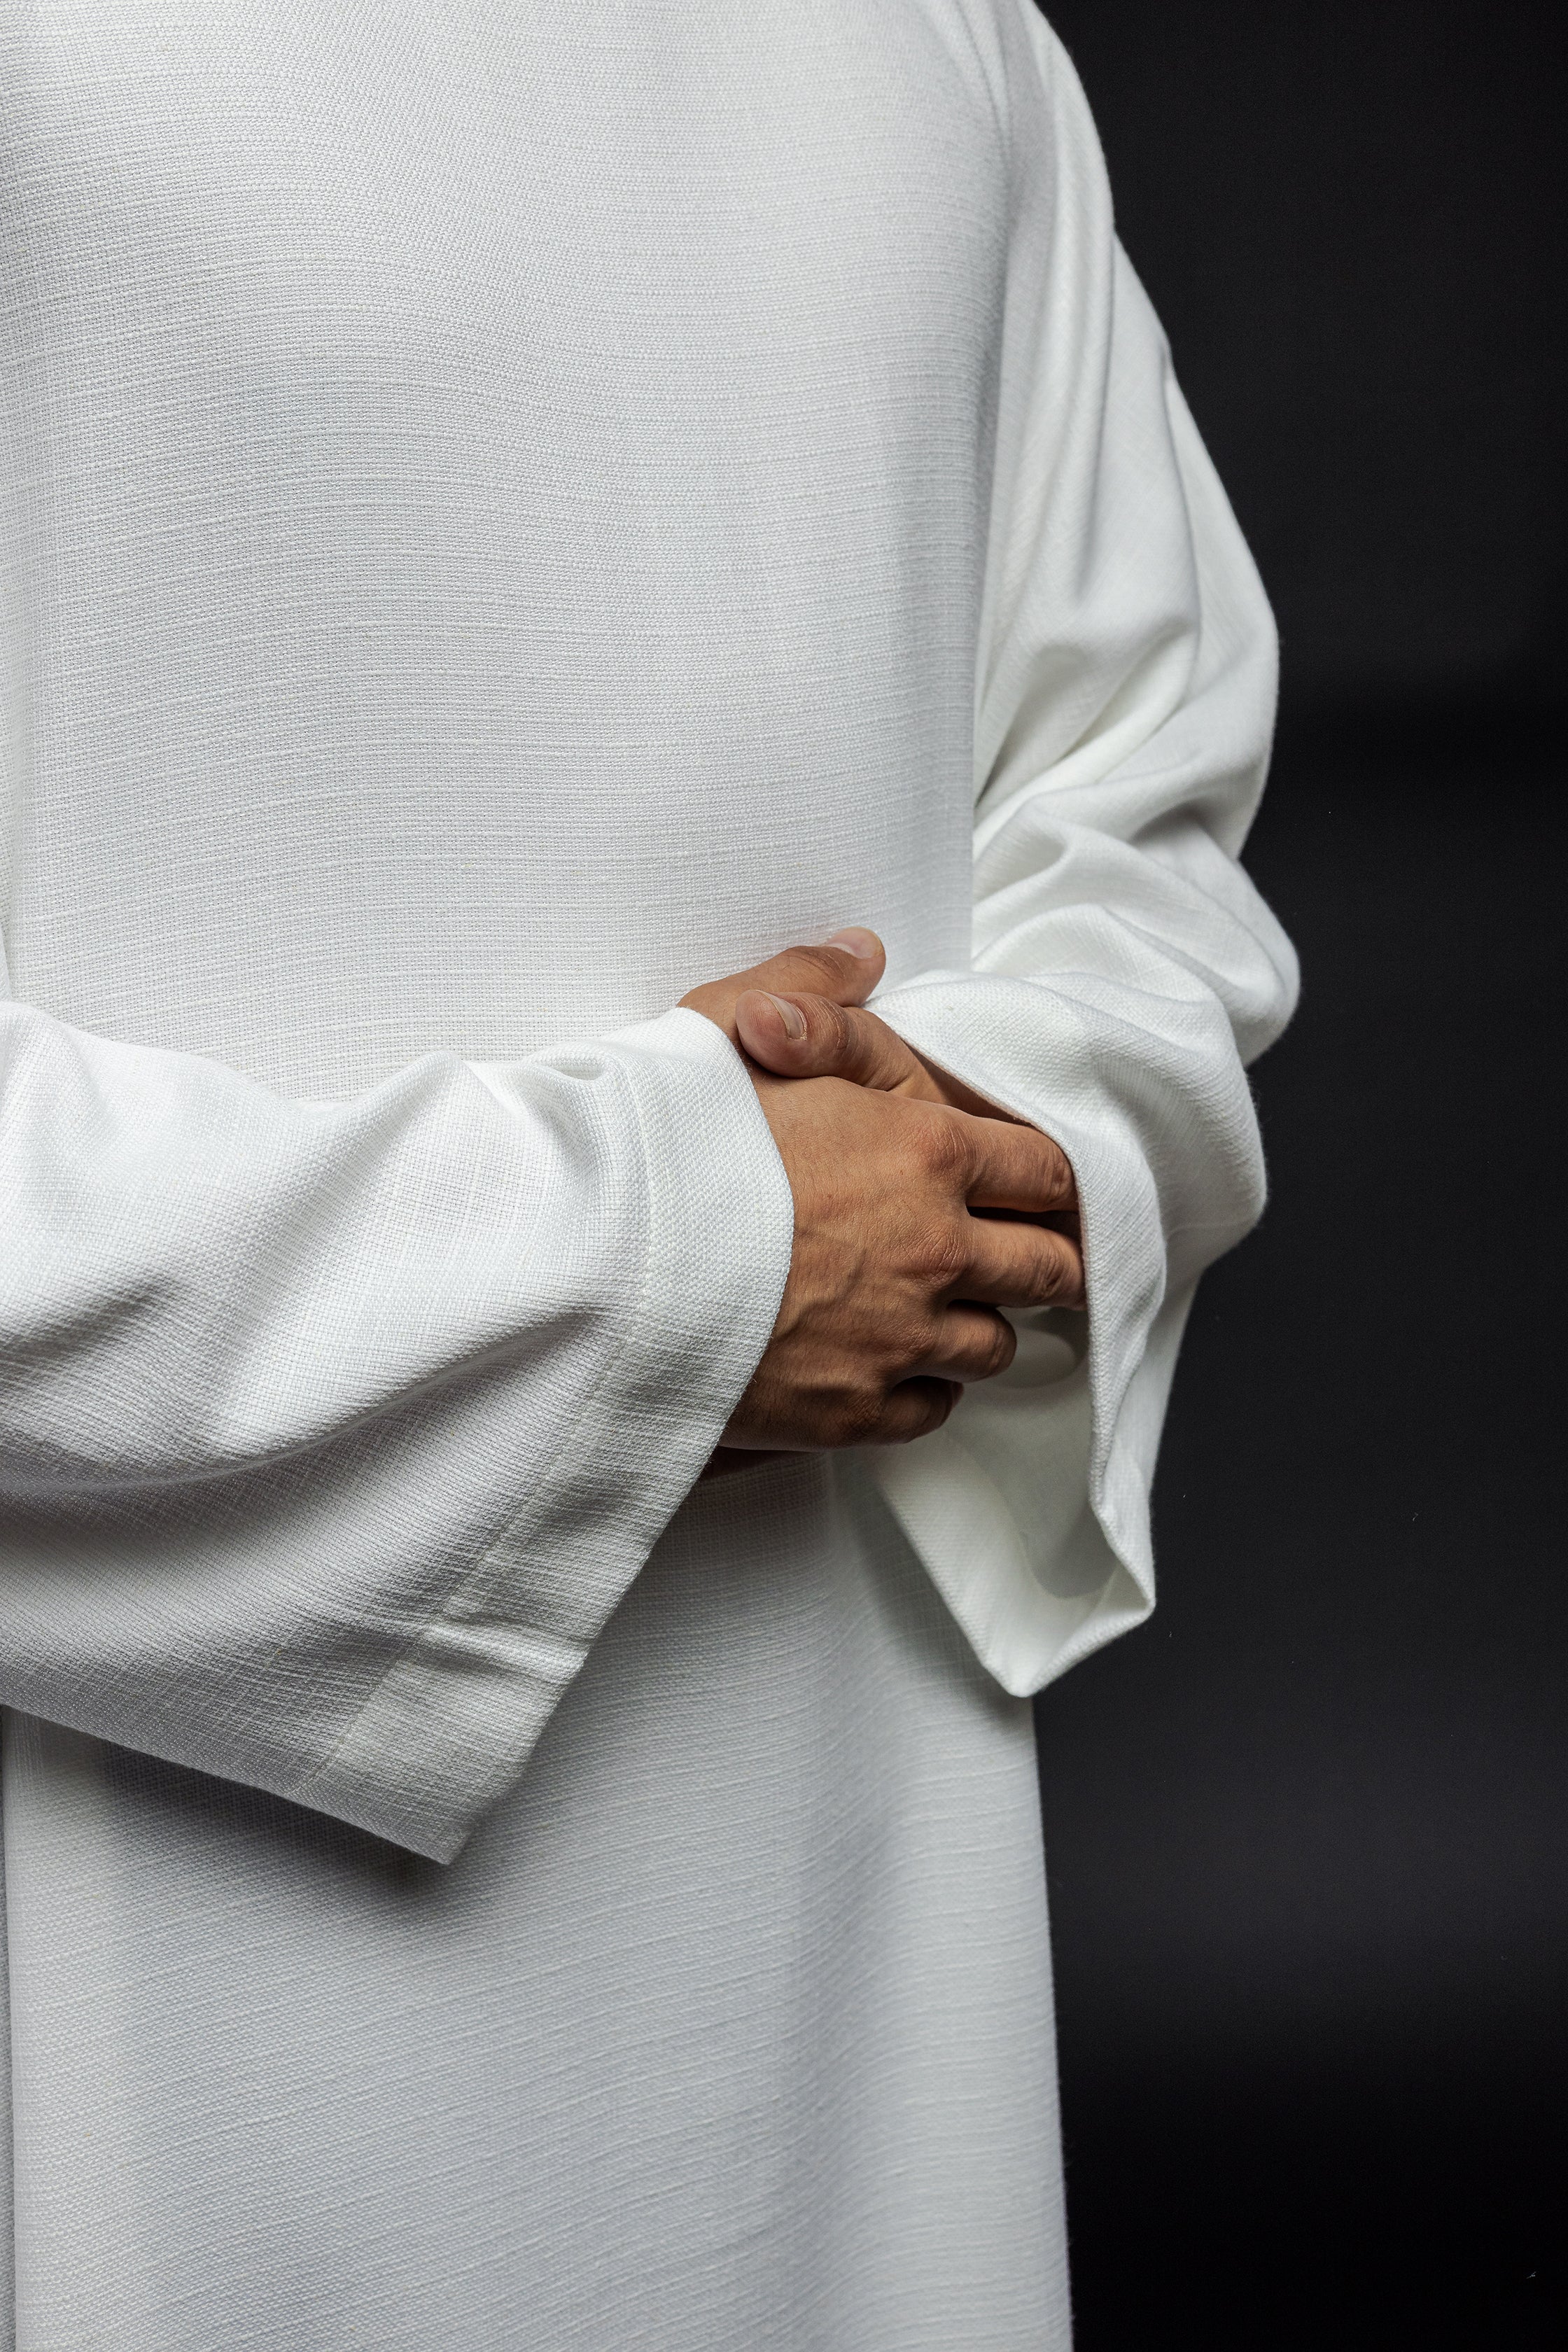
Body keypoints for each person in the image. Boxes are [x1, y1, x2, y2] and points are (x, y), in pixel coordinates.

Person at [0, 2, 1297, 2344]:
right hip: (115, 1870)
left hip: (829, 1832)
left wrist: (943, 1175)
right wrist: (676, 1253)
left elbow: (1141, 805)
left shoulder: (952, 35)